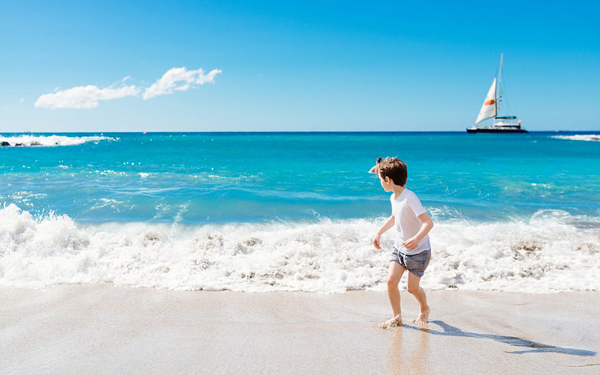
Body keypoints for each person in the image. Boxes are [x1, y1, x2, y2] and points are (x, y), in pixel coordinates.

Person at [370, 157, 434, 328]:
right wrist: (379, 232)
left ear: (388, 180)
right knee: (391, 282)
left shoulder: (409, 198)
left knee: (412, 289)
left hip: (418, 252)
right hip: (400, 249)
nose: (380, 184)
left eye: (380, 180)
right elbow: (394, 217)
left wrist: (417, 238)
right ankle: (397, 317)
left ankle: (425, 308)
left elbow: (428, 222)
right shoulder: (394, 197)